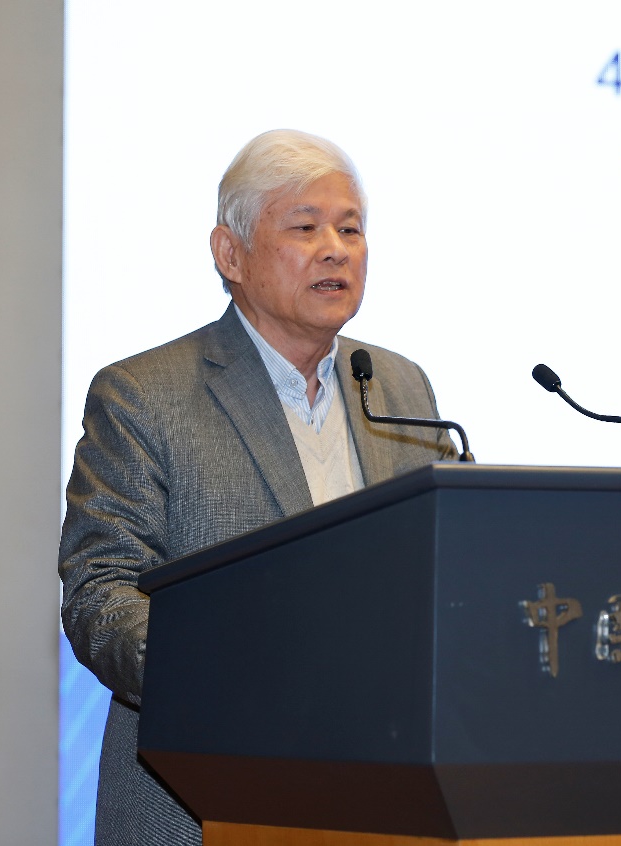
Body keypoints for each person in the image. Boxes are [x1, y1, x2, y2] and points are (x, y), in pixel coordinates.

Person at [59, 130, 456, 846]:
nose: (335, 249)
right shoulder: (143, 396)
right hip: (203, 801)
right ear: (230, 254)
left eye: (350, 229)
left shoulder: (400, 385)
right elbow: (101, 593)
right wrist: (239, 681)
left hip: (387, 798)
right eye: (305, 228)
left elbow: (450, 571)